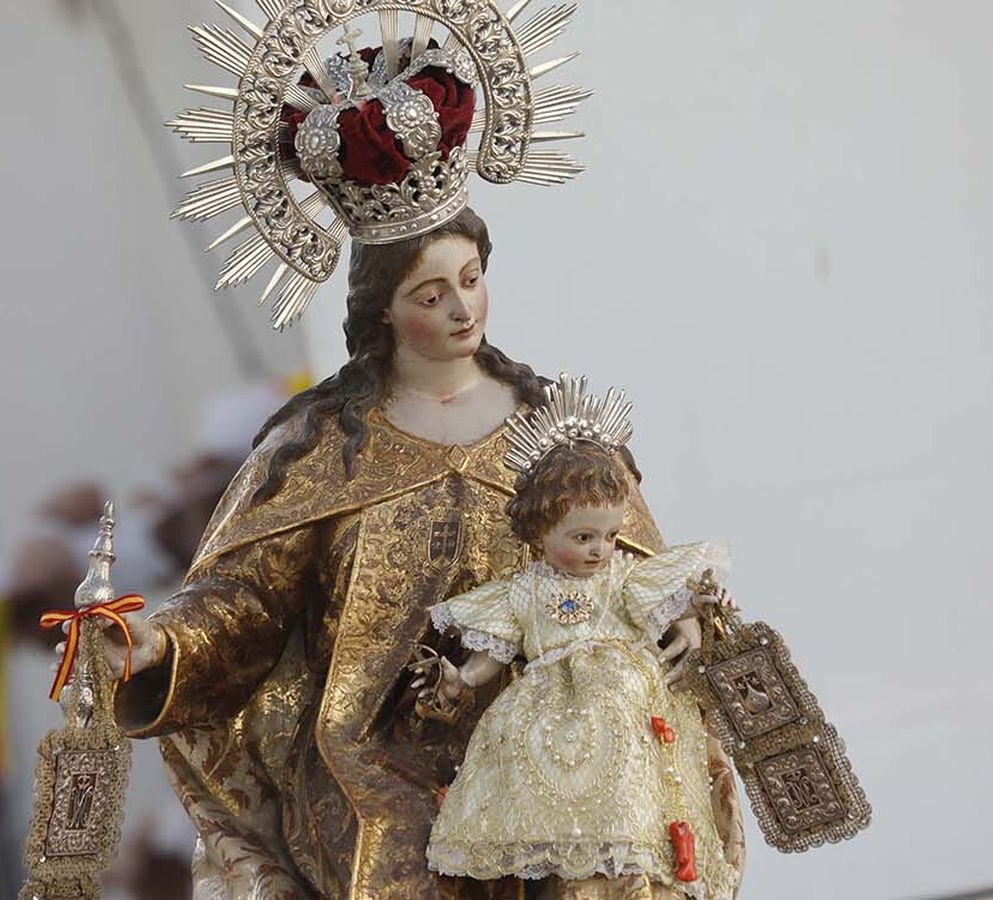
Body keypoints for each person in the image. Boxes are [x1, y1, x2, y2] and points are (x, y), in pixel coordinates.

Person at [72, 4, 746, 896]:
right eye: (432, 294)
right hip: (381, 775)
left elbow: (633, 557)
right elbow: (241, 601)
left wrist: (684, 624)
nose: (463, 311)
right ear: (382, 308)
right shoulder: (318, 449)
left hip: (571, 743)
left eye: (472, 281)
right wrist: (156, 644)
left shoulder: (549, 419)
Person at [420, 381, 742, 899]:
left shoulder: (621, 577)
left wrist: (704, 606)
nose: (600, 550)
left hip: (625, 703)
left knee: (628, 753)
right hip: (549, 714)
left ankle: (633, 856)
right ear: (540, 532)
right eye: (584, 537)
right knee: (538, 767)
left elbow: (674, 599)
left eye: (610, 535)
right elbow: (490, 656)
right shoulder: (522, 593)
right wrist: (462, 679)